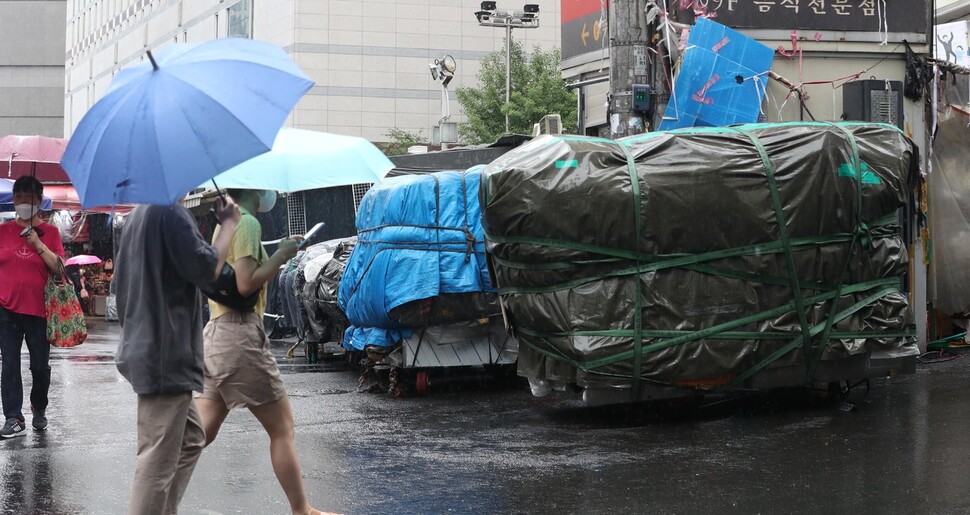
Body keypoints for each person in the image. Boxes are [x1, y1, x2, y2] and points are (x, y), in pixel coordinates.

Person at [195, 189, 326, 515]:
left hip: (215, 334)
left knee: (197, 434)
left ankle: (155, 488)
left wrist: (280, 251)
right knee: (282, 428)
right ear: (254, 188)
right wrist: (281, 255)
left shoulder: (226, 222)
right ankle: (302, 510)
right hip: (239, 337)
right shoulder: (249, 223)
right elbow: (244, 284)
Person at [114, 198, 240, 515]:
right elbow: (208, 268)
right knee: (155, 461)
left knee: (192, 438)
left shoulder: (139, 215)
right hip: (164, 354)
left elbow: (121, 285)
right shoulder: (169, 212)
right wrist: (228, 224)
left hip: (147, 347)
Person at [0, 176, 64, 438]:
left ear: (39, 200)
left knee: (40, 366)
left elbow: (60, 267)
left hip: (40, 311)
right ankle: (14, 417)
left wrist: (38, 244)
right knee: (9, 365)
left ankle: (39, 407)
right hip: (6, 310)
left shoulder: (52, 233)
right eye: (19, 197)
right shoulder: (2, 231)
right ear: (13, 200)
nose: (23, 202)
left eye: (29, 197)